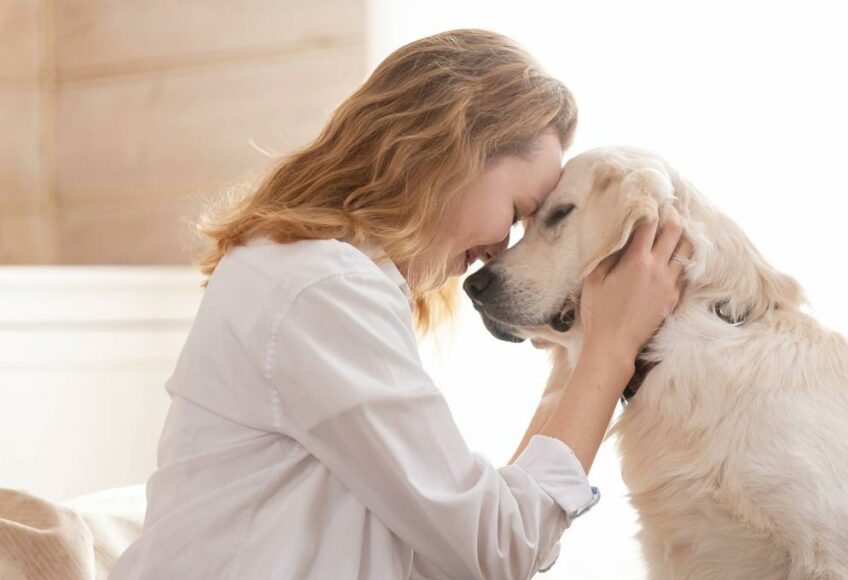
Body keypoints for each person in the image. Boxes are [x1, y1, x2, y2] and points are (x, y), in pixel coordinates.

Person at [109, 29, 686, 580]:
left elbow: (447, 551)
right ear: (451, 154)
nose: (499, 250)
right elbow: (495, 549)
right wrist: (609, 353)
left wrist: (581, 354)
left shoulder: (312, 273)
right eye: (514, 212)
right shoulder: (321, 287)